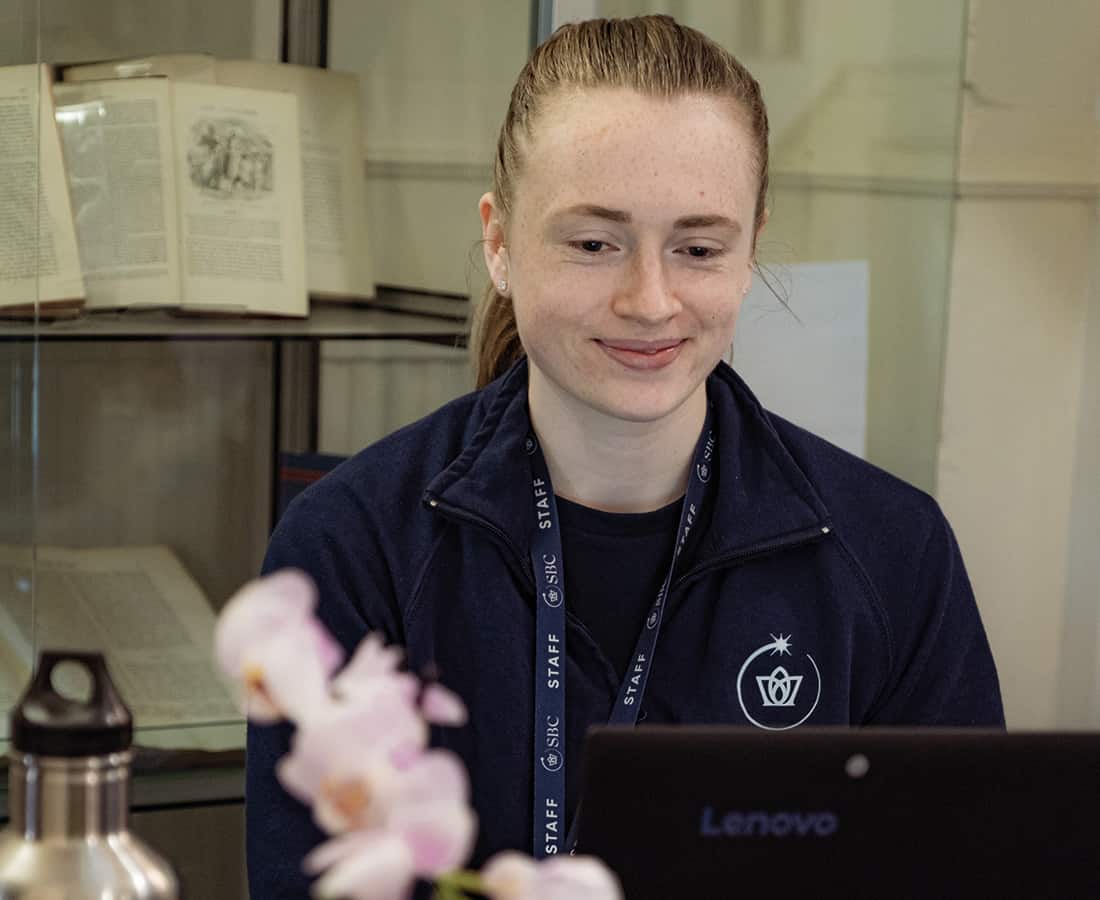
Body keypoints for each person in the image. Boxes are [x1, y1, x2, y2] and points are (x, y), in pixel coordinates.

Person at [246, 15, 1003, 897]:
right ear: (499, 243)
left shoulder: (894, 552)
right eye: (594, 243)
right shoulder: (350, 547)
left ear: (751, 248)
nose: (650, 301)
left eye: (698, 248)